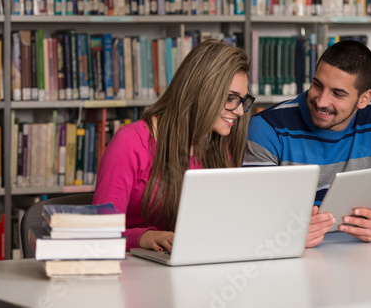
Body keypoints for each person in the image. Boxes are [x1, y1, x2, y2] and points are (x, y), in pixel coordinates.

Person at [244, 40, 371, 248]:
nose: (321, 101)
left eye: (337, 93)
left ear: (363, 99)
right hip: (287, 260)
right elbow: (251, 214)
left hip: (357, 257)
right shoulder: (267, 127)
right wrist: (285, 232)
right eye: (317, 85)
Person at [93, 39, 254, 252]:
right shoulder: (130, 143)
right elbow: (97, 234)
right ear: (200, 90)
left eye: (242, 100)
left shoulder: (219, 145)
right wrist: (142, 237)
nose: (240, 111)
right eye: (230, 98)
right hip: (132, 272)